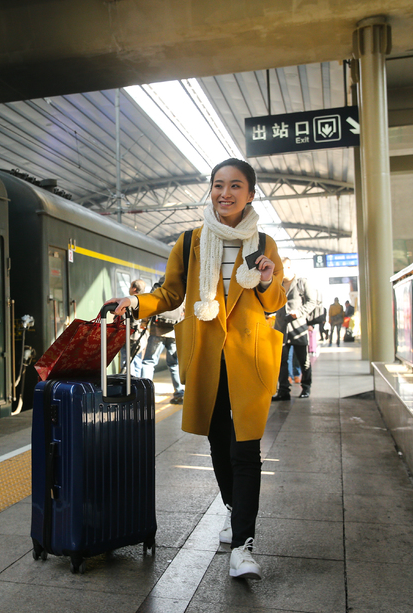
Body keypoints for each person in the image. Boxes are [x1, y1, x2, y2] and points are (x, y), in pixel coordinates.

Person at [110, 158, 286, 581]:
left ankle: (243, 545)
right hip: (207, 357)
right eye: (218, 185)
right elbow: (170, 293)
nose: (225, 193)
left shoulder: (263, 242)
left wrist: (265, 279)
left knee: (247, 450)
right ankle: (232, 507)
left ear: (250, 194)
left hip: (249, 359)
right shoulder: (190, 242)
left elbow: (274, 301)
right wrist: (138, 303)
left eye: (235, 186)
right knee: (219, 441)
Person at [272, 258, 319, 400]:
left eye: (282, 268)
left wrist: (298, 312)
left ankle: (306, 388)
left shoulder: (302, 283)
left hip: (298, 328)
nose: (279, 272)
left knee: (303, 360)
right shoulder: (276, 284)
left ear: (289, 267)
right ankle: (283, 390)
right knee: (282, 361)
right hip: (281, 327)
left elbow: (312, 302)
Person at [138, 276, 185, 403]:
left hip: (157, 331)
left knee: (148, 362)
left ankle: (145, 394)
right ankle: (180, 393)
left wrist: (144, 324)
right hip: (174, 332)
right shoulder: (179, 289)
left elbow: (150, 307)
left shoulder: (158, 288)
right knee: (174, 364)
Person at [122, 279, 148, 375]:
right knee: (137, 362)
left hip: (130, 337)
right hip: (141, 338)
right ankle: (137, 385)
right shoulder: (145, 302)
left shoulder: (129, 302)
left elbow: (122, 320)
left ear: (134, 289)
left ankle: (130, 386)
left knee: (127, 362)